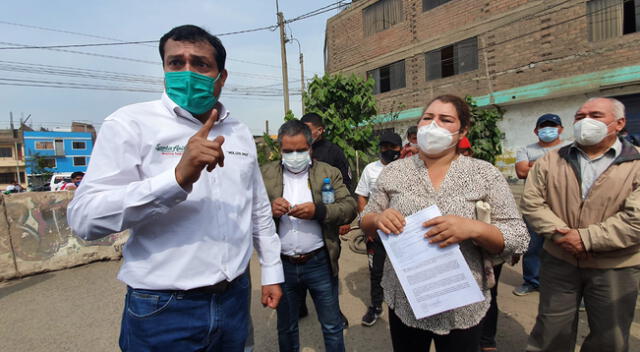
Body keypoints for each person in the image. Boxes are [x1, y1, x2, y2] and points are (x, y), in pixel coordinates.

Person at [66, 25, 284, 351]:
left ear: (221, 77)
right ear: (164, 69)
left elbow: (258, 209)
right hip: (163, 308)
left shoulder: (239, 132)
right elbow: (85, 220)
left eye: (200, 64)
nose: (187, 72)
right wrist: (176, 179)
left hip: (235, 298)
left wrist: (271, 270)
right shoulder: (130, 124)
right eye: (176, 62)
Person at [360, 94, 528, 352]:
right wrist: (379, 218)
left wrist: (474, 228)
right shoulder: (394, 172)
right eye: (428, 118)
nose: (433, 125)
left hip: (462, 302)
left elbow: (518, 236)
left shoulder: (484, 174)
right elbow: (366, 220)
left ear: (463, 130)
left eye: (445, 119)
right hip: (406, 296)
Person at [522, 97, 640, 352]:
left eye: (595, 115)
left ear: (619, 123)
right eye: (579, 116)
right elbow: (532, 203)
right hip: (559, 259)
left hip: (615, 266)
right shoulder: (550, 160)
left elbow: (636, 220)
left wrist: (586, 239)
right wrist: (560, 234)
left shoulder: (636, 163)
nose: (586, 121)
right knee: (551, 330)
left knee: (610, 336)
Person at [261, 120, 357, 352]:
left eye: (301, 150)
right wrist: (268, 209)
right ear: (280, 150)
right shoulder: (265, 174)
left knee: (332, 326)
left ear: (311, 147)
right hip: (282, 264)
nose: (295, 155)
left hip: (319, 262)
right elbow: (247, 210)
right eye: (288, 151)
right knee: (286, 327)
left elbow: (350, 207)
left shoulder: (328, 173)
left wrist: (319, 211)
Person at [300, 112, 351, 324]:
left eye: (308, 129)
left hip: (327, 218)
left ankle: (333, 311)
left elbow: (347, 185)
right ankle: (299, 305)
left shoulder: (334, 152)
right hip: (299, 215)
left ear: (320, 131)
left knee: (330, 264)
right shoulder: (297, 149)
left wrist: (344, 219)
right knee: (297, 261)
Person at [512, 113, 569, 296]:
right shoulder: (525, 149)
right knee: (532, 246)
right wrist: (555, 164)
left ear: (561, 129)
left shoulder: (569, 147)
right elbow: (521, 171)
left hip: (563, 205)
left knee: (565, 246)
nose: (547, 129)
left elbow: (571, 170)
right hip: (534, 204)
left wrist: (534, 164)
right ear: (536, 131)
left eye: (552, 126)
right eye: (543, 126)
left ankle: (567, 286)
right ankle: (532, 281)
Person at [355, 131, 402, 327]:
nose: (387, 151)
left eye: (392, 147)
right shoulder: (370, 170)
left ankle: (402, 307)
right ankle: (375, 306)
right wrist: (368, 225)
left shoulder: (405, 169)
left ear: (400, 149)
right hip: (376, 231)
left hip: (401, 231)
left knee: (402, 271)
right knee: (376, 270)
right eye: (384, 147)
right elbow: (361, 196)